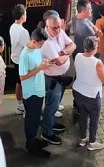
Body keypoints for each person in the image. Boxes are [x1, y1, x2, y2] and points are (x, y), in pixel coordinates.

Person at [40, 12, 75, 144]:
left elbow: (73, 45)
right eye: (54, 28)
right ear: (46, 27)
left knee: (54, 104)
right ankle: (47, 132)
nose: (57, 30)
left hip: (60, 77)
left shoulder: (59, 32)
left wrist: (63, 52)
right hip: (53, 79)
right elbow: (59, 61)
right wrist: (68, 52)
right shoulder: (47, 43)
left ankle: (51, 123)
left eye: (59, 27)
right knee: (51, 105)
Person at [19, 28, 51, 158]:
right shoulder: (25, 55)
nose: (41, 46)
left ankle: (33, 140)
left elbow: (37, 66)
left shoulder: (36, 50)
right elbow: (22, 76)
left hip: (39, 90)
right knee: (31, 120)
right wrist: (40, 68)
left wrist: (43, 64)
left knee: (36, 117)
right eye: (41, 44)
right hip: (31, 93)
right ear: (33, 41)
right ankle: (31, 145)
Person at [73, 36, 104, 151]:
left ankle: (83, 138)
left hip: (78, 91)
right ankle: (92, 142)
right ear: (95, 48)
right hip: (92, 95)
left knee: (82, 115)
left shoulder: (77, 56)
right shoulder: (97, 62)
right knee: (94, 118)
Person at [9, 4, 30, 115]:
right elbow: (29, 47)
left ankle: (19, 105)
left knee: (19, 82)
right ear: (22, 16)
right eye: (25, 14)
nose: (26, 16)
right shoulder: (23, 32)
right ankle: (26, 109)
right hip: (22, 61)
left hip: (15, 58)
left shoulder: (12, 27)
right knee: (25, 84)